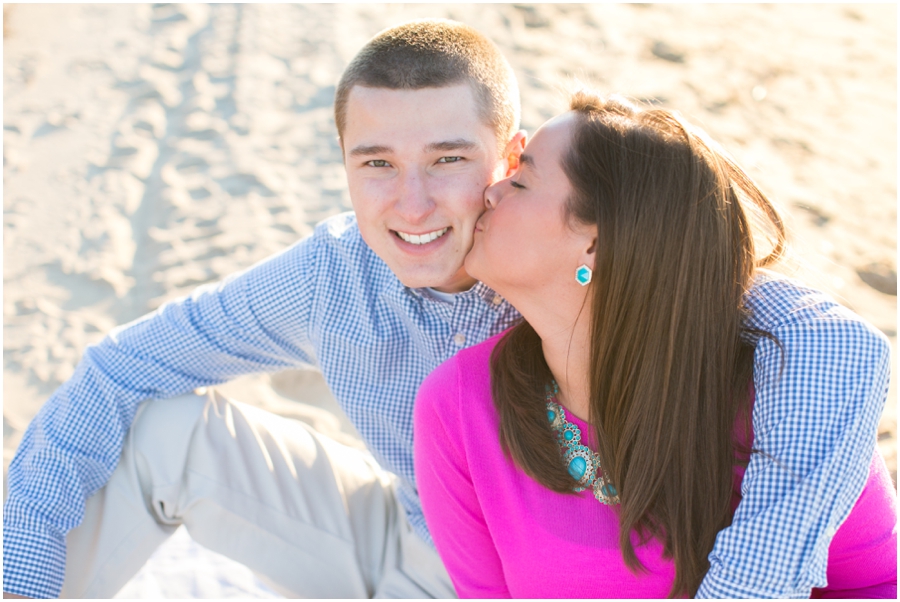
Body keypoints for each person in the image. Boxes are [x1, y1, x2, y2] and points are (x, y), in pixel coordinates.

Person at [1, 19, 890, 599]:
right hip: (414, 544)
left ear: (507, 159)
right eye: (377, 163)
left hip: (571, 560)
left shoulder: (588, 261)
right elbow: (122, 364)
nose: (413, 205)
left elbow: (826, 338)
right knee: (159, 429)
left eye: (449, 159)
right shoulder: (335, 280)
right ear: (346, 166)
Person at [414, 91, 897, 598]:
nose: (492, 192)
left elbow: (878, 585)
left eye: (523, 180)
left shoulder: (785, 399)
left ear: (596, 244)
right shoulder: (457, 406)